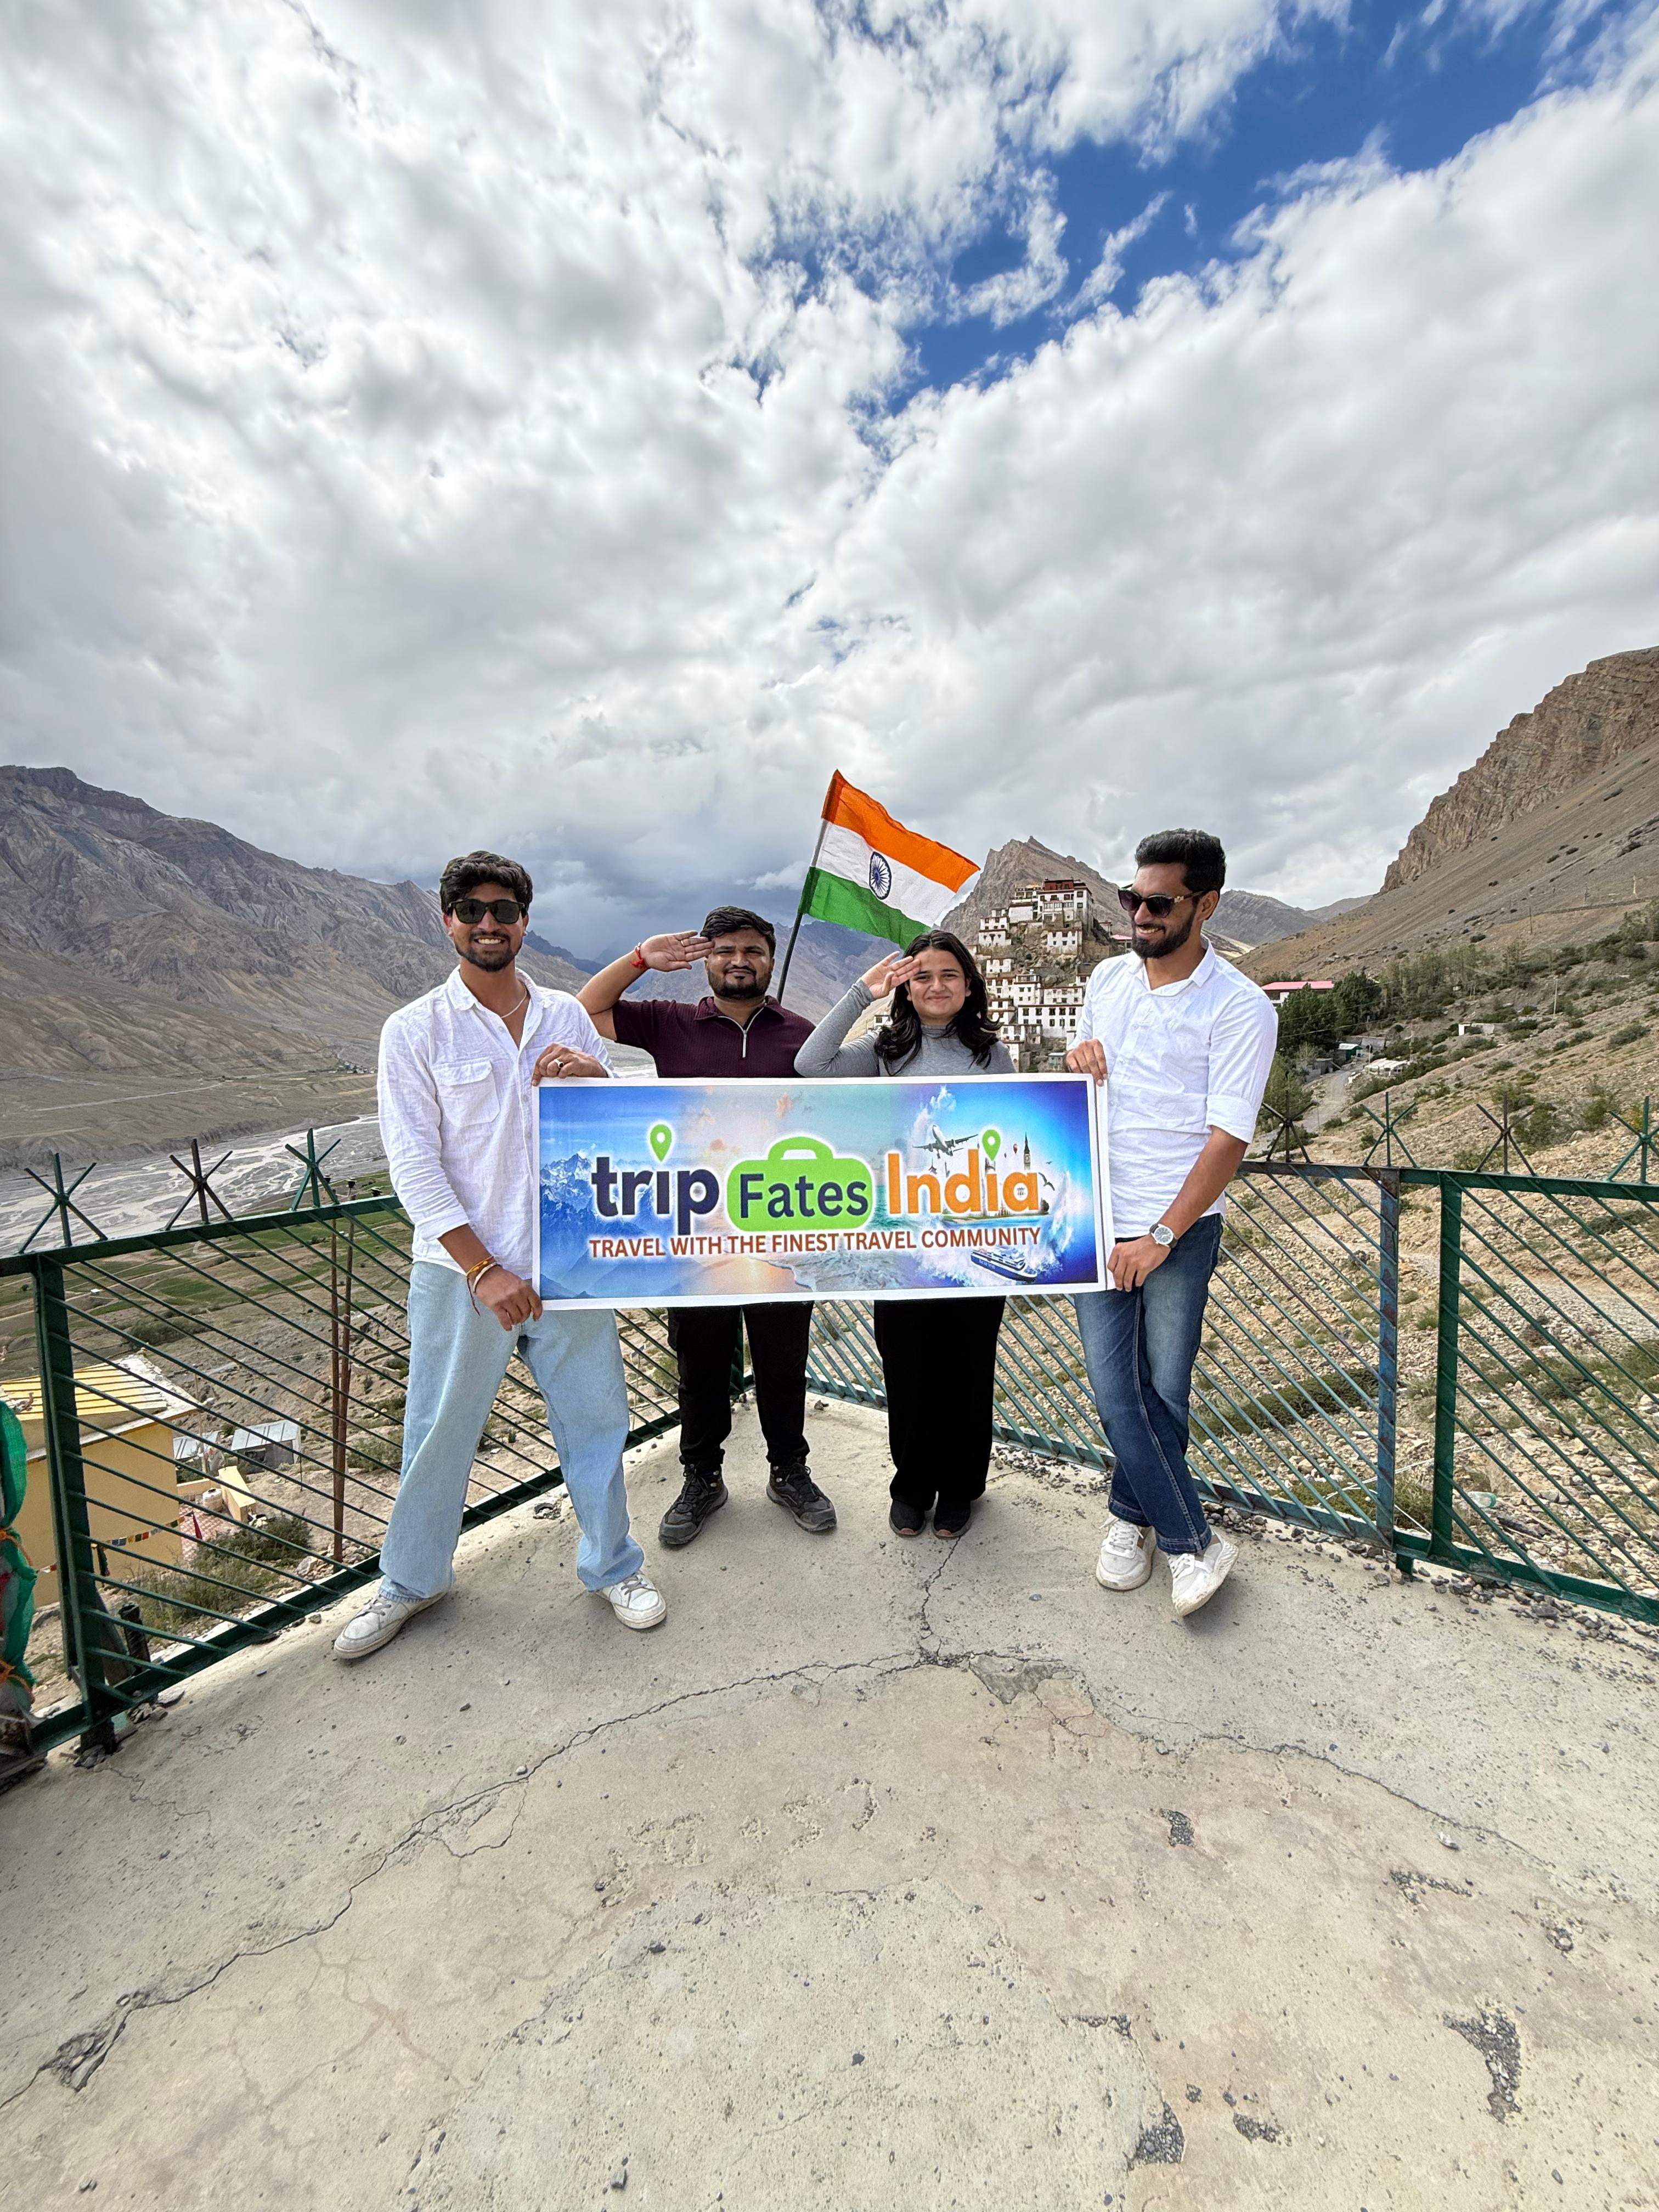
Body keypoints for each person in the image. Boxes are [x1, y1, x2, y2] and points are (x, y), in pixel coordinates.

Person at [334, 851, 667, 1660]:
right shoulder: (414, 1030)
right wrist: (485, 1268)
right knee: (439, 1430)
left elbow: (608, 1131)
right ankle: (410, 1582)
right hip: (464, 1274)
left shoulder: (564, 1015)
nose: (489, 922)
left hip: (568, 1265)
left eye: (505, 908)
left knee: (596, 1423)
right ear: (447, 920)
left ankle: (613, 1566)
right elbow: (414, 1162)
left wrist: (593, 1076)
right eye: (471, 909)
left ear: (525, 919)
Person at [1065, 828, 1277, 1620]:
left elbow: (1228, 1140)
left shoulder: (1240, 1007)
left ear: (1205, 904)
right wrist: (1075, 1059)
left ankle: (1133, 1521)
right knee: (1117, 1389)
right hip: (1098, 1220)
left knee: (1164, 1390)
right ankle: (1194, 1541)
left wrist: (1159, 1238)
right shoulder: (1107, 981)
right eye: (1132, 899)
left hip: (1176, 1234)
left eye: (1158, 903)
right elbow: (1091, 1085)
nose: (1140, 915)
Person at [578, 907, 837, 1548]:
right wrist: (641, 957)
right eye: (725, 950)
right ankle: (702, 1478)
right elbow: (587, 1008)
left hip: (782, 1236)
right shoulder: (669, 1024)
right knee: (700, 1365)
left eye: (753, 950)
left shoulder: (801, 1037)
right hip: (694, 1235)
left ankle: (790, 1472)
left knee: (784, 1363)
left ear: (771, 960)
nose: (739, 960)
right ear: (705, 959)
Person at [795, 930, 1014, 1541]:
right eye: (922, 976)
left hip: (973, 1245)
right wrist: (862, 991)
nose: (936, 985)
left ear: (969, 985)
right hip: (898, 1246)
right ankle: (912, 1484)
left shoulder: (989, 1053)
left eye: (949, 974)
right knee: (909, 1369)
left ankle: (962, 1488)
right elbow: (811, 1065)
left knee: (969, 1370)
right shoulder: (884, 1048)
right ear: (906, 988)